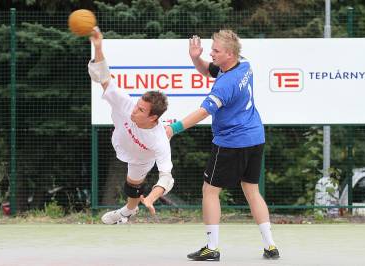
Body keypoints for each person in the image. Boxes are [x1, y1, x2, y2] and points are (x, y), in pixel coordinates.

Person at [166, 30, 279, 261]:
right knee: (252, 190)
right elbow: (210, 70)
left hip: (232, 143)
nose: (211, 52)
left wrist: (172, 129)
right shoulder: (243, 65)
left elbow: (203, 112)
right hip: (255, 138)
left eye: (215, 50)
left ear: (229, 53)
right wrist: (196, 58)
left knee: (210, 191)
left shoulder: (225, 85)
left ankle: (212, 247)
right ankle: (271, 246)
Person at [89, 27, 174, 224]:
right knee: (132, 188)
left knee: (133, 189)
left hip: (141, 159)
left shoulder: (159, 140)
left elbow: (167, 177)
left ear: (153, 118)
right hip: (120, 140)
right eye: (137, 106)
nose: (135, 111)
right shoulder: (127, 104)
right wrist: (98, 47)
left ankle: (126, 213)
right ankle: (129, 211)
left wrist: (151, 198)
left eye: (141, 111)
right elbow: (103, 77)